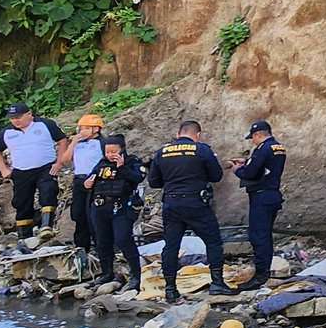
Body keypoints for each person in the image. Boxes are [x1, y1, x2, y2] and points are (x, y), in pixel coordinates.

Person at [148, 120, 228, 300]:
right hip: (196, 203)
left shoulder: (162, 152)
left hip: (171, 204)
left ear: (178, 133)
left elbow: (153, 182)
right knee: (213, 242)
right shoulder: (202, 150)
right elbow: (216, 176)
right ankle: (217, 283)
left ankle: (170, 288)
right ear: (197, 135)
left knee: (171, 246)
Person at [0, 103, 68, 241]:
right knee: (22, 202)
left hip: (46, 167)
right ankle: (24, 237)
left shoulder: (45, 125)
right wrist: (4, 169)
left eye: (19, 117)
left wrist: (59, 162)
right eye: (12, 118)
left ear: (29, 114)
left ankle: (46, 226)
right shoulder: (6, 133)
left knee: (48, 191)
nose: (16, 121)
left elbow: (62, 140)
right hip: (21, 171)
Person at [230, 119, 288, 291]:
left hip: (262, 197)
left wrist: (237, 170)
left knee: (259, 236)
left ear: (258, 135)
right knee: (265, 235)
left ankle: (260, 276)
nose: (252, 141)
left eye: (253, 138)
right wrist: (247, 161)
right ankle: (264, 273)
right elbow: (264, 166)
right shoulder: (278, 147)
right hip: (272, 195)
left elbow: (251, 173)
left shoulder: (262, 149)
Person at [83, 134, 146, 286]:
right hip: (100, 207)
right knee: (102, 241)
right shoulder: (101, 163)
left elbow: (138, 178)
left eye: (113, 151)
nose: (110, 155)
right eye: (107, 152)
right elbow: (89, 180)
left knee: (123, 239)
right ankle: (107, 273)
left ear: (122, 150)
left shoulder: (132, 162)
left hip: (121, 207)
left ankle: (136, 275)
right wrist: (87, 183)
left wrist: (122, 167)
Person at [66, 113, 106, 260]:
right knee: (78, 214)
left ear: (96, 129)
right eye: (80, 128)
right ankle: (81, 245)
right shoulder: (78, 144)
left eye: (85, 128)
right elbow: (66, 160)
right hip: (79, 179)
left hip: (95, 180)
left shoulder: (102, 143)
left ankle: (100, 245)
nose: (82, 131)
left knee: (94, 215)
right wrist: (74, 142)